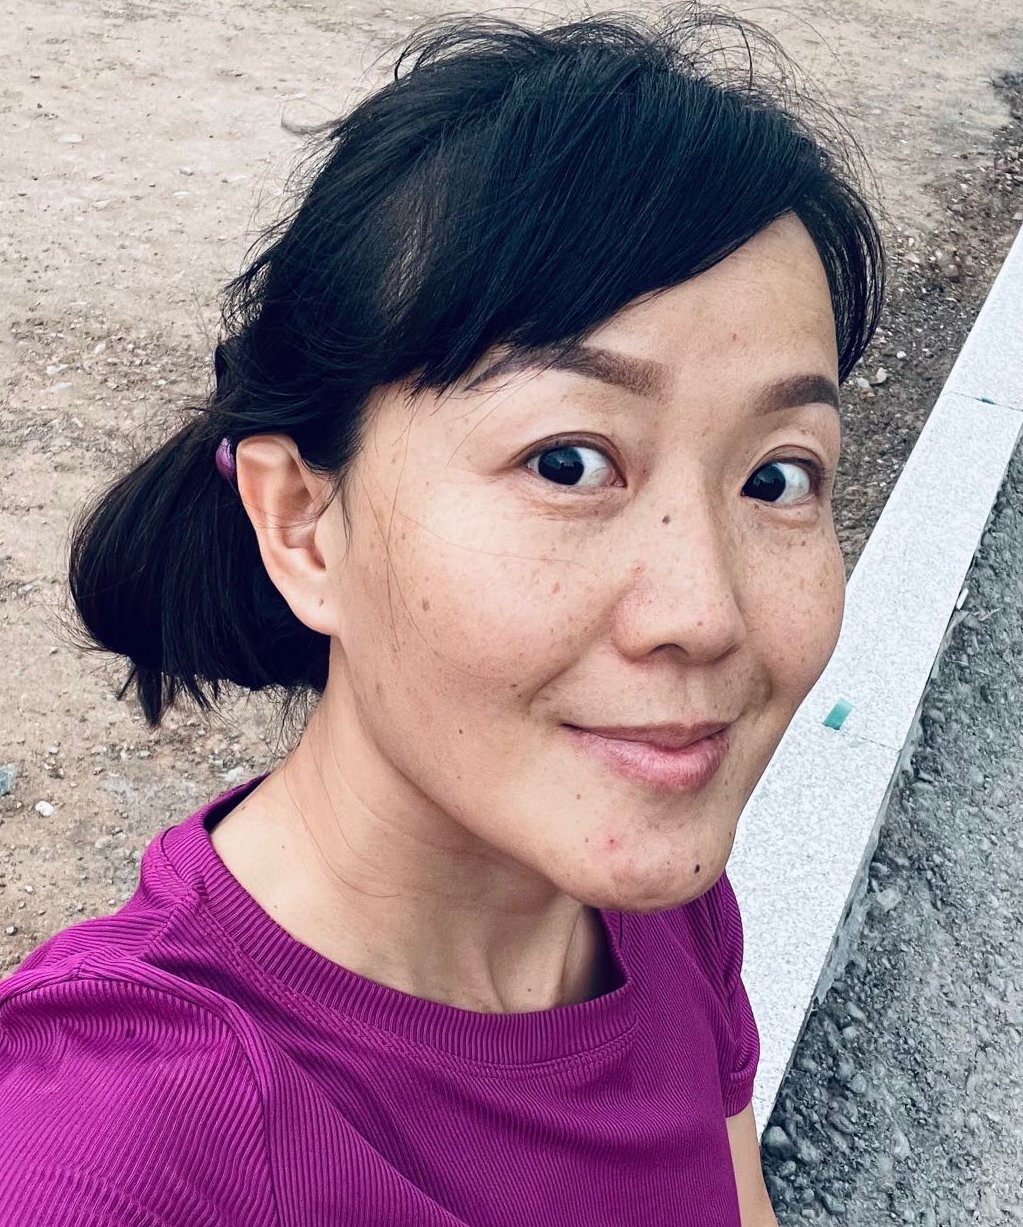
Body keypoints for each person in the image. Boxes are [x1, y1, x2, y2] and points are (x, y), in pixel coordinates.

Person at [0, 7, 883, 1225]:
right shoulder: (103, 1163)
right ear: (303, 522)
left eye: (778, 478)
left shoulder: (653, 894)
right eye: (569, 463)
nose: (703, 612)